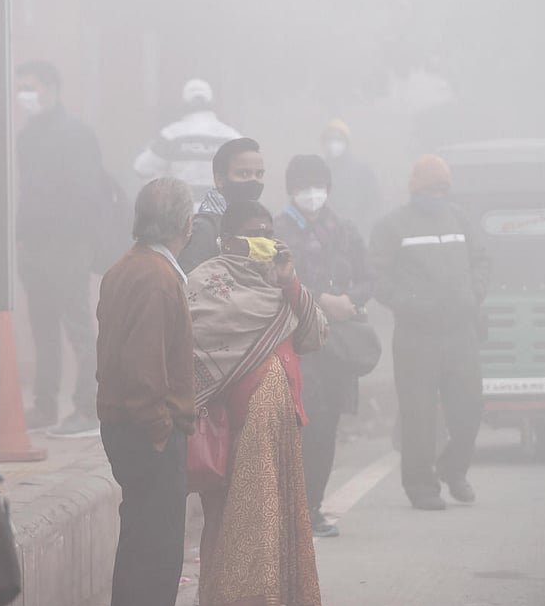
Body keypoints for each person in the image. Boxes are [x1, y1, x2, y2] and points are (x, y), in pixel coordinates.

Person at [190, 200, 327, 606]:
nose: (264, 241)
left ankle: (281, 599)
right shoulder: (205, 282)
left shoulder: (279, 283)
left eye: (269, 233)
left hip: (279, 425)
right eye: (254, 233)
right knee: (238, 518)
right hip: (231, 425)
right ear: (228, 240)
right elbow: (193, 349)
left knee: (278, 516)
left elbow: (314, 334)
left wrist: (289, 281)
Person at [96, 177, 196, 606]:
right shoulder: (158, 278)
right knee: (156, 554)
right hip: (148, 430)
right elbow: (144, 368)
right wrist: (161, 429)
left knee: (140, 544)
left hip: (123, 426)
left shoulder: (125, 266)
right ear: (186, 225)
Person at [369, 154, 490, 511]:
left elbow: (481, 258)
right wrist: (409, 303)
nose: (438, 194)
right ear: (415, 189)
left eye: (443, 188)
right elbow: (377, 275)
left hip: (460, 333)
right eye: (431, 188)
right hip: (416, 336)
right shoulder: (393, 226)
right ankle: (422, 488)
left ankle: (454, 470)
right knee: (418, 416)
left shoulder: (460, 219)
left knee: (469, 410)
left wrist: (474, 294)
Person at [274, 154, 374, 537]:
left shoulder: (345, 231)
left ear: (328, 189)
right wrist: (318, 299)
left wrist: (351, 301)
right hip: (292, 346)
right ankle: (288, 511)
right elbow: (271, 283)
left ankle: (312, 508)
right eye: (302, 185)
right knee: (294, 429)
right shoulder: (275, 232)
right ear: (290, 189)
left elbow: (368, 277)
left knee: (326, 429)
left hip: (335, 348)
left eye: (317, 185)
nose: (311, 194)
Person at [15, 60, 103, 436]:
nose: (25, 96)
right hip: (34, 246)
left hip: (68, 245)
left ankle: (88, 409)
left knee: (78, 328)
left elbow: (88, 193)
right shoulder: (27, 135)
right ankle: (45, 406)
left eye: (31, 88)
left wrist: (73, 237)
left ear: (52, 88)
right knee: (42, 327)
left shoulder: (76, 134)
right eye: (21, 89)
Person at [133, 78, 240, 206]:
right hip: (221, 215)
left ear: (184, 103)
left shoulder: (171, 135)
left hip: (182, 214)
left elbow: (142, 168)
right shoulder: (232, 138)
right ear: (211, 102)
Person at [178, 137, 265, 273]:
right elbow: (190, 285)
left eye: (259, 174)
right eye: (244, 173)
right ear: (219, 180)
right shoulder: (204, 228)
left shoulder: (260, 225)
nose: (253, 180)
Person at [321, 119, 382, 239]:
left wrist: (362, 228)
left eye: (339, 139)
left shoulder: (363, 171)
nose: (333, 143)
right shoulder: (318, 170)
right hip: (324, 237)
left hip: (357, 234)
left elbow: (374, 203)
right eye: (330, 139)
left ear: (347, 142)